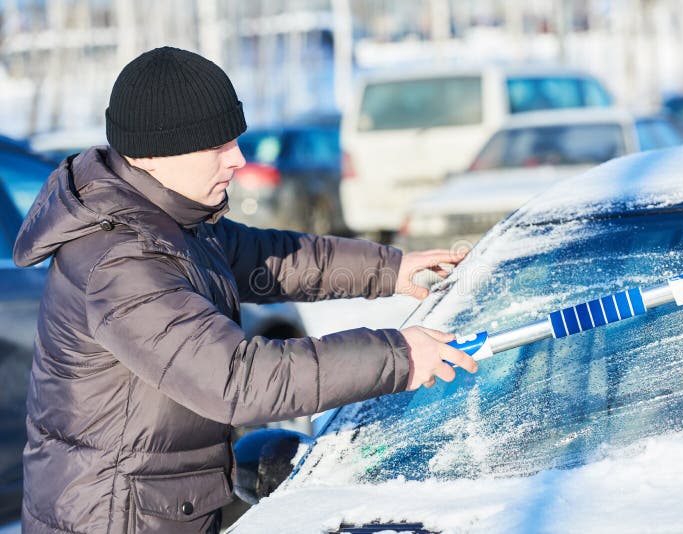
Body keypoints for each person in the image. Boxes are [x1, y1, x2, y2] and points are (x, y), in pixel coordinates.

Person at [12, 46, 477, 534]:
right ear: (150, 155)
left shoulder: (172, 218)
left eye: (234, 140)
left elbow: (271, 257)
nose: (237, 159)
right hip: (114, 521)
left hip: (158, 508)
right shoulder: (122, 262)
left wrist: (390, 268)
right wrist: (398, 356)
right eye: (215, 147)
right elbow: (237, 381)